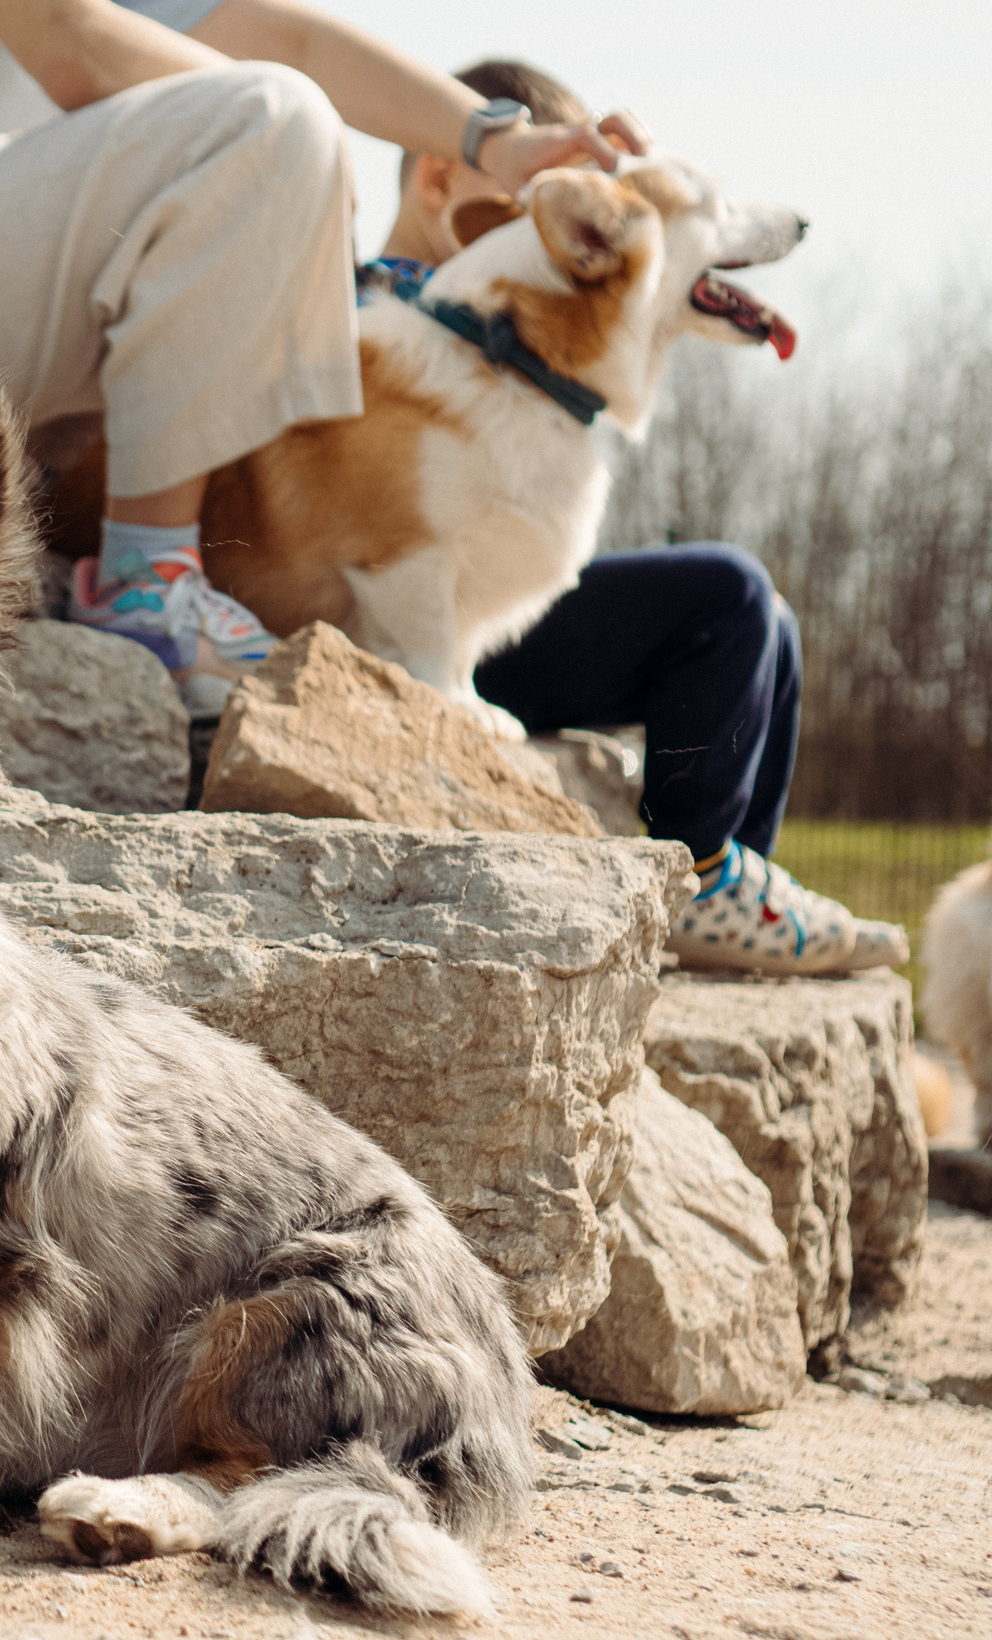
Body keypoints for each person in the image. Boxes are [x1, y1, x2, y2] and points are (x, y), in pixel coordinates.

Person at [0, 0, 633, 716]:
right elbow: (75, 44)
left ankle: (134, 565)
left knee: (278, 133)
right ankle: (146, 587)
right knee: (273, 129)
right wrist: (290, 186)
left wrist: (493, 139)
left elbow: (275, 33)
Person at [375, 59, 906, 976]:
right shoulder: (367, 302)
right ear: (439, 172)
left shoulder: (537, 320)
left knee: (769, 621)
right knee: (727, 597)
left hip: (494, 610)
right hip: (423, 615)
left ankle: (737, 876)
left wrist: (652, 229)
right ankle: (694, 876)